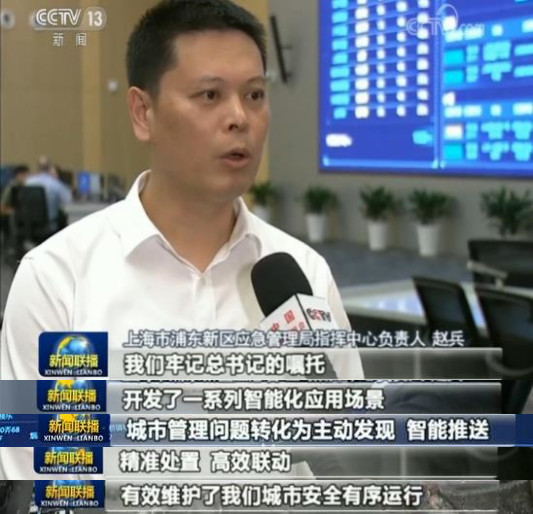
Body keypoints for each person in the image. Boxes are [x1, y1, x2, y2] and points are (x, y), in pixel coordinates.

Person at [0, 0, 363, 480]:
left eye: (255, 95)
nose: (240, 117)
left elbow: (348, 459)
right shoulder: (59, 281)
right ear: (142, 112)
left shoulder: (303, 274)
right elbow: (32, 482)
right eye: (210, 95)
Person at [25, 161, 72, 233]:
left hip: (31, 226)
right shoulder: (55, 183)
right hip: (51, 226)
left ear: (38, 168)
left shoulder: (28, 182)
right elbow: (68, 200)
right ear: (49, 169)